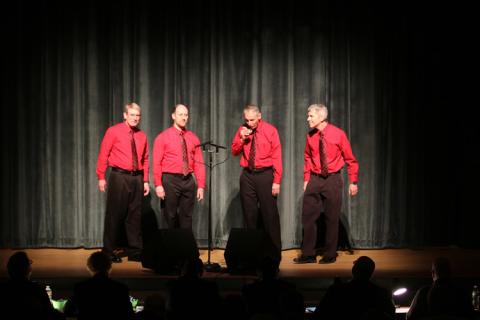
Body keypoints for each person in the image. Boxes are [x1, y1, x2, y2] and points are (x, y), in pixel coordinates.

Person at [294, 104, 358, 264]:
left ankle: (330, 255)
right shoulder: (310, 136)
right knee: (308, 217)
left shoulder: (338, 134)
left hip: (333, 179)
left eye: (311, 116)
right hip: (315, 179)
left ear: (321, 117)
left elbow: (351, 159)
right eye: (308, 116)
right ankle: (308, 254)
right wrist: (307, 179)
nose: (308, 119)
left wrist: (353, 181)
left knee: (331, 218)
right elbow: (307, 157)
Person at [96, 102, 150, 263]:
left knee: (135, 214)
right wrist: (101, 176)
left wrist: (146, 180)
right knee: (114, 214)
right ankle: (108, 250)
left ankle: (135, 251)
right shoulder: (113, 131)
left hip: (137, 178)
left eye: (137, 115)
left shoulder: (142, 135)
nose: (135, 118)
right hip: (119, 176)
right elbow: (103, 154)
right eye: (132, 115)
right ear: (125, 115)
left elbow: (145, 159)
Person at [231, 104, 283, 260]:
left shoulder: (270, 130)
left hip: (265, 175)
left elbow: (277, 157)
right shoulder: (243, 130)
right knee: (249, 215)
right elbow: (234, 151)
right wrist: (242, 138)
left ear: (259, 116)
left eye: (252, 119)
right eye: (246, 120)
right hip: (247, 175)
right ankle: (251, 253)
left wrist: (277, 181)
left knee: (270, 215)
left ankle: (274, 254)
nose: (249, 122)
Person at [152, 104, 206, 230]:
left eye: (186, 115)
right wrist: (158, 184)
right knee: (169, 216)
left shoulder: (193, 138)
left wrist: (201, 186)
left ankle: (185, 248)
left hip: (188, 180)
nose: (184, 117)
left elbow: (199, 163)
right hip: (170, 180)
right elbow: (156, 163)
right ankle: (169, 248)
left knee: (187, 217)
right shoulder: (163, 137)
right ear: (173, 116)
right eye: (180, 114)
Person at [313, 256, 395, 320]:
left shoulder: (336, 290)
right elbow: (390, 314)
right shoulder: (381, 293)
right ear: (371, 273)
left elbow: (319, 314)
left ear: (354, 270)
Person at [64, 251, 135, 320]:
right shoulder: (121, 289)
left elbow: (68, 310)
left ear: (89, 267)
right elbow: (129, 314)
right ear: (109, 267)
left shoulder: (80, 287)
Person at [0, 251, 64, 319]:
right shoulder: (37, 289)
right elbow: (49, 312)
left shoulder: (3, 289)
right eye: (29, 263)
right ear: (28, 269)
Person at [406, 257, 475, 320]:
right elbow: (471, 316)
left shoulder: (423, 292)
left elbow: (409, 317)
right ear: (450, 273)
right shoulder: (462, 293)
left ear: (433, 273)